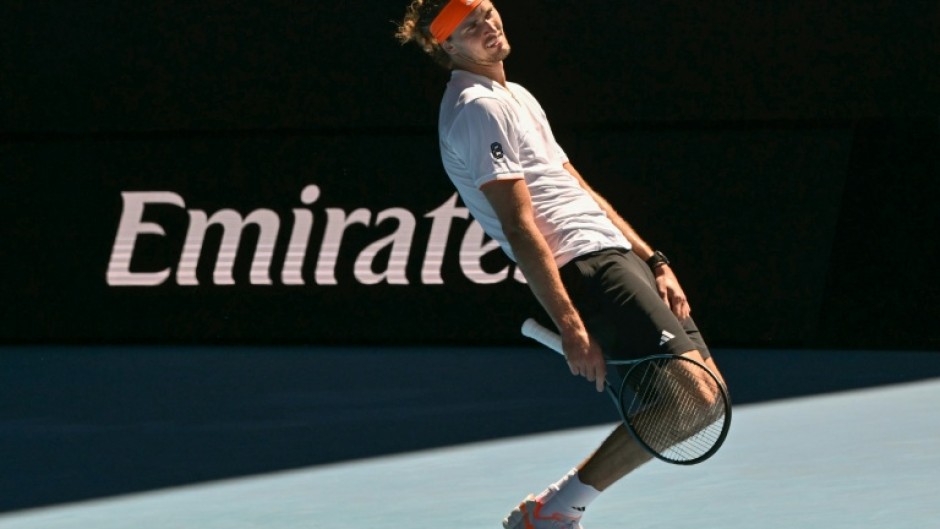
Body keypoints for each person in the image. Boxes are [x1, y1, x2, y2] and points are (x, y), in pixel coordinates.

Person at [396, 1, 726, 527]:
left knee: (704, 401)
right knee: (693, 398)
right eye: (470, 26)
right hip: (582, 262)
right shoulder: (475, 107)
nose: (488, 25)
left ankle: (552, 510)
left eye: (486, 10)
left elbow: (576, 185)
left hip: (612, 251)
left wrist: (653, 258)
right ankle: (552, 514)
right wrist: (571, 323)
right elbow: (520, 223)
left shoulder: (516, 95)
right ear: (448, 47)